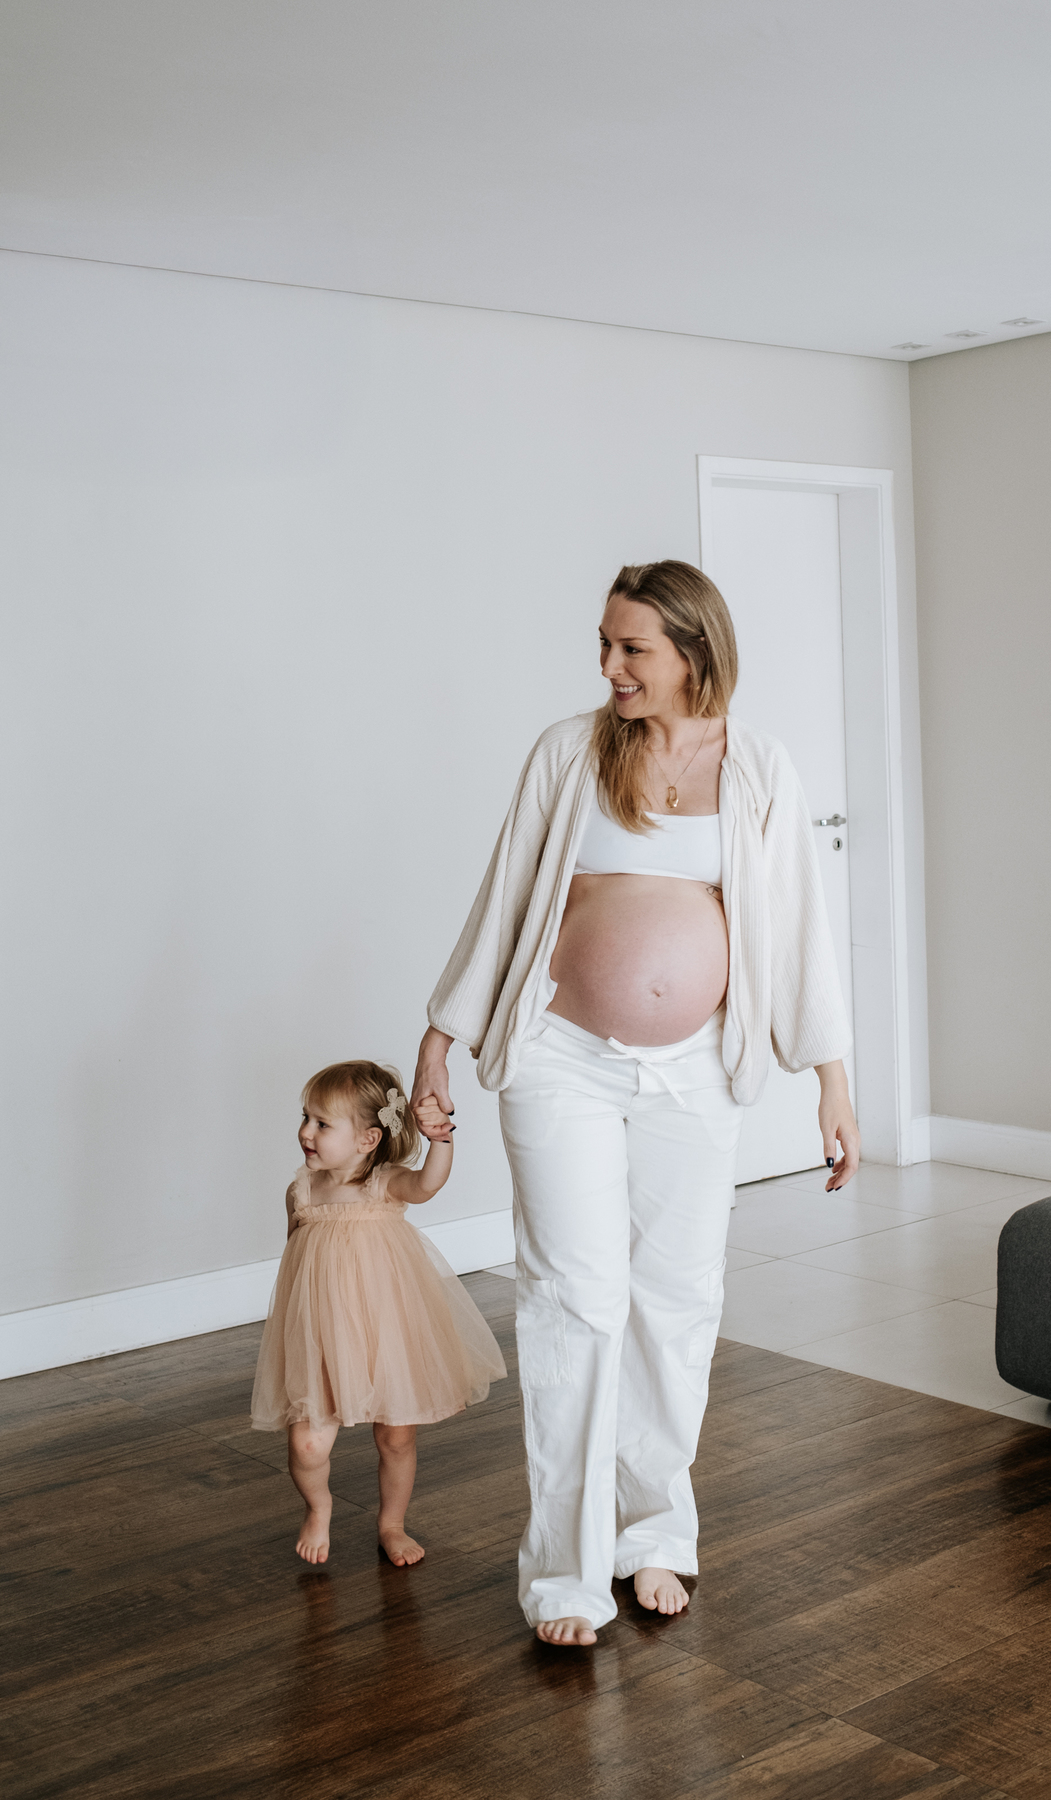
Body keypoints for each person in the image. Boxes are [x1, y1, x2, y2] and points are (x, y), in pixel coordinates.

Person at [412, 560, 859, 1645]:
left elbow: (798, 923)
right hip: (561, 1058)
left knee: (677, 1300)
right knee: (574, 1301)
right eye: (605, 646)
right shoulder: (571, 752)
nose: (609, 666)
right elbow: (506, 893)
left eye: (632, 649)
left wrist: (833, 1081)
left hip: (697, 1069)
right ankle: (564, 1572)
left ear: (694, 653)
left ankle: (655, 1533)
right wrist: (440, 1037)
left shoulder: (758, 766)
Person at [250, 1059, 506, 1566]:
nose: (306, 1132)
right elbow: (296, 1262)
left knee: (396, 1435)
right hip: (324, 1333)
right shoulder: (301, 1189)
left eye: (322, 1123)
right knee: (307, 1445)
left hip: (388, 1329)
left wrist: (441, 1138)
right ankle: (318, 1507)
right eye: (305, 1118)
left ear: (368, 1139)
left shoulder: (384, 1183)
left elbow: (428, 1184)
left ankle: (392, 1523)